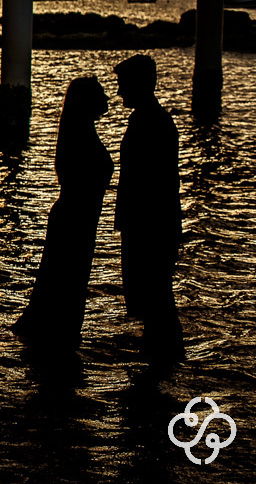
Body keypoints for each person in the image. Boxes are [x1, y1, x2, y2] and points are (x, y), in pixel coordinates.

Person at [13, 76, 113, 351]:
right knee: (66, 287)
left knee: (61, 287)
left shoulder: (78, 133)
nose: (107, 98)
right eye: (100, 94)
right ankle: (57, 348)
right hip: (75, 221)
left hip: (76, 219)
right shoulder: (81, 137)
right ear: (87, 102)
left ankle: (51, 347)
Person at [113, 54, 184, 361]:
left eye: (123, 84)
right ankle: (161, 358)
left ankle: (163, 356)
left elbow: (153, 181)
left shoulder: (151, 123)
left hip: (150, 225)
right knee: (156, 298)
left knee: (156, 297)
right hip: (150, 222)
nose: (119, 92)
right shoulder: (150, 119)